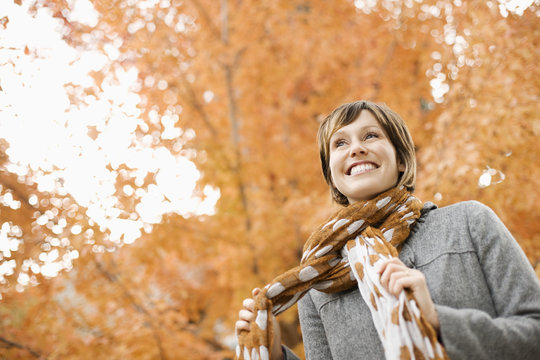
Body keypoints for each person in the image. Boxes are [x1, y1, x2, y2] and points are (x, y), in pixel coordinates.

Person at [235, 100, 540, 360]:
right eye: (340, 143)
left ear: (402, 160)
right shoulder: (317, 280)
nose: (355, 149)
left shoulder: (469, 223)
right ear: (332, 174)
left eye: (371, 135)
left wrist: (437, 319)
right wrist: (276, 354)